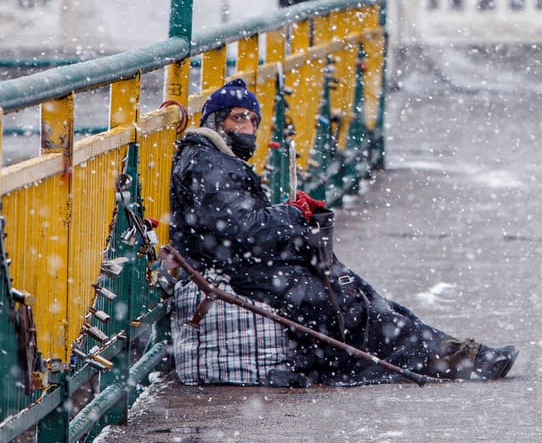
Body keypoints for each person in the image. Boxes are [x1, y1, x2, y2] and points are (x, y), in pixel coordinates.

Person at [169, 78, 518, 385]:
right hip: (245, 274)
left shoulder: (212, 160)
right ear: (217, 121)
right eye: (238, 117)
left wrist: (290, 215)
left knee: (360, 295)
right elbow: (242, 231)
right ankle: (451, 359)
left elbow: (238, 227)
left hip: (251, 268)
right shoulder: (211, 164)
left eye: (254, 120)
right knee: (350, 306)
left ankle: (451, 352)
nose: (248, 127)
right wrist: (292, 214)